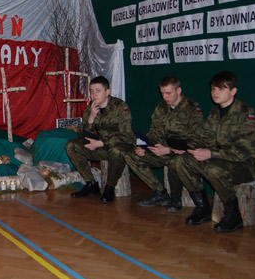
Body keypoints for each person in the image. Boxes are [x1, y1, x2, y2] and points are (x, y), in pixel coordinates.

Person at [168, 71, 255, 232]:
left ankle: (233, 216)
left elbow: (243, 152)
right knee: (181, 161)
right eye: (213, 89)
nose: (215, 92)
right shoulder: (215, 113)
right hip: (224, 159)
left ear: (233, 91)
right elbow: (205, 138)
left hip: (248, 164)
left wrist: (211, 154)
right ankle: (203, 208)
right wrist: (188, 148)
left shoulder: (247, 115)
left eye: (221, 89)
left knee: (214, 170)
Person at [124, 76, 204, 211]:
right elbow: (154, 133)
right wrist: (146, 147)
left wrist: (169, 149)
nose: (165, 97)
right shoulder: (161, 108)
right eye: (162, 93)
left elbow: (197, 138)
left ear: (178, 91)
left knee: (175, 161)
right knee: (132, 155)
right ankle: (159, 192)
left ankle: (175, 198)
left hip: (184, 153)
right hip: (163, 151)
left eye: (168, 93)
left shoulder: (192, 108)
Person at [65, 75, 135, 203]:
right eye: (91, 91)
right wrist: (91, 118)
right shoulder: (92, 106)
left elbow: (126, 136)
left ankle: (110, 187)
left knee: (116, 150)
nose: (94, 95)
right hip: (102, 147)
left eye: (98, 91)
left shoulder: (120, 106)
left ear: (107, 92)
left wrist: (100, 143)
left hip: (121, 147)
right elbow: (82, 134)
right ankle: (91, 183)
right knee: (71, 145)